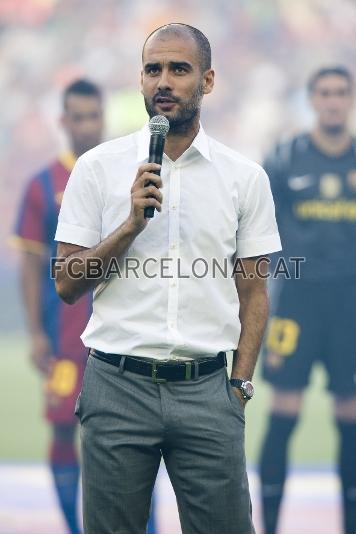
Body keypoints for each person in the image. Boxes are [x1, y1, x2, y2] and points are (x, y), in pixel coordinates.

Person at [54, 23, 281, 534]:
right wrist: (130, 225)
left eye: (179, 69)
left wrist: (239, 386)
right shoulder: (97, 168)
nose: (164, 81)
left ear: (208, 81)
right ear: (139, 79)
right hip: (116, 386)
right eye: (153, 69)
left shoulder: (245, 178)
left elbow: (255, 291)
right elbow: (66, 284)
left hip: (206, 391)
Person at [258, 66, 356, 534]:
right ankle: (267, 524)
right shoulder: (284, 159)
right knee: (284, 412)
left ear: (350, 99)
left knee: (350, 415)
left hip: (351, 306)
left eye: (341, 93)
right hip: (297, 303)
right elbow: (260, 228)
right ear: (312, 100)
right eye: (324, 93)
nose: (333, 101)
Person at [13, 79, 104, 533]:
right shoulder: (43, 184)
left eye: (94, 116)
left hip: (118, 335)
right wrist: (34, 331)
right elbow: (30, 265)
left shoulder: (123, 173)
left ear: (103, 118)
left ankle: (144, 525)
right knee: (64, 428)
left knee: (132, 437)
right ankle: (73, 525)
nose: (87, 125)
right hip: (64, 335)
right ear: (64, 122)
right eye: (78, 117)